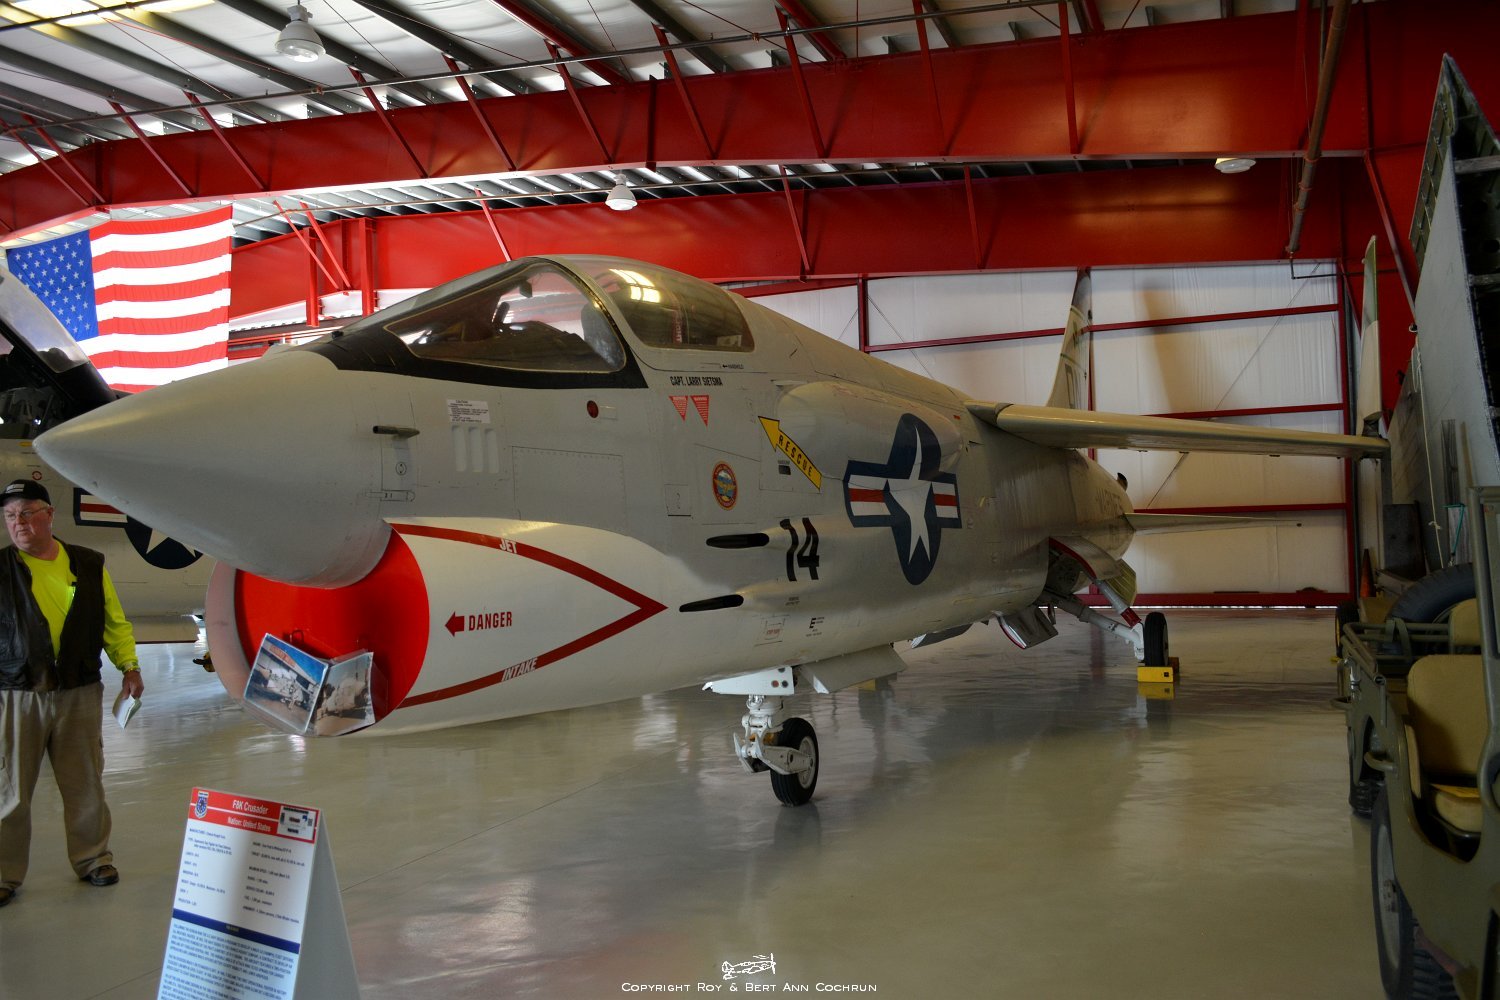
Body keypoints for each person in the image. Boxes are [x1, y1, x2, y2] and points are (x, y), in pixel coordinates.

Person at [0, 479, 141, 908]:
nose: (18, 523)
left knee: (85, 783)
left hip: (79, 690)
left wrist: (129, 666)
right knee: (11, 790)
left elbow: (113, 621)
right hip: (18, 693)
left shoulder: (88, 564)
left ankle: (93, 859)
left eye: (27, 513)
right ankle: (4, 874)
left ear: (48, 515)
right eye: (10, 516)